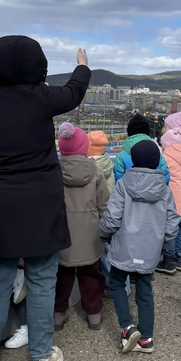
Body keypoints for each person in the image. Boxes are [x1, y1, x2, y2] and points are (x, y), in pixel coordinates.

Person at [0, 37, 90, 361]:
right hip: (42, 202)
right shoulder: (41, 96)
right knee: (42, 280)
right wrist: (82, 66)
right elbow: (74, 92)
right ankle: (41, 358)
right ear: (38, 65)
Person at [99, 141, 180, 353]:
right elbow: (172, 223)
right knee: (144, 290)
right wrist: (163, 245)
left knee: (117, 283)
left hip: (123, 246)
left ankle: (127, 326)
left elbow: (112, 218)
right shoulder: (165, 189)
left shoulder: (123, 184)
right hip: (150, 248)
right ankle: (146, 338)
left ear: (132, 160)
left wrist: (103, 234)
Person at [54, 123, 110, 331]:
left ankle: (58, 312)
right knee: (91, 275)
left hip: (62, 234)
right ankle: (93, 313)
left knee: (62, 275)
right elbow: (104, 205)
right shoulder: (95, 172)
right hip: (90, 235)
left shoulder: (53, 171)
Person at [156, 113, 181, 274]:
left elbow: (163, 177)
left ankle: (170, 260)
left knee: (169, 230)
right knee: (178, 229)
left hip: (172, 199)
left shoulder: (167, 157)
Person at [113, 114, 170, 184]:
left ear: (129, 132)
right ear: (147, 132)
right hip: (155, 190)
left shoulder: (121, 157)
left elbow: (118, 181)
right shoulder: (158, 155)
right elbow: (165, 179)